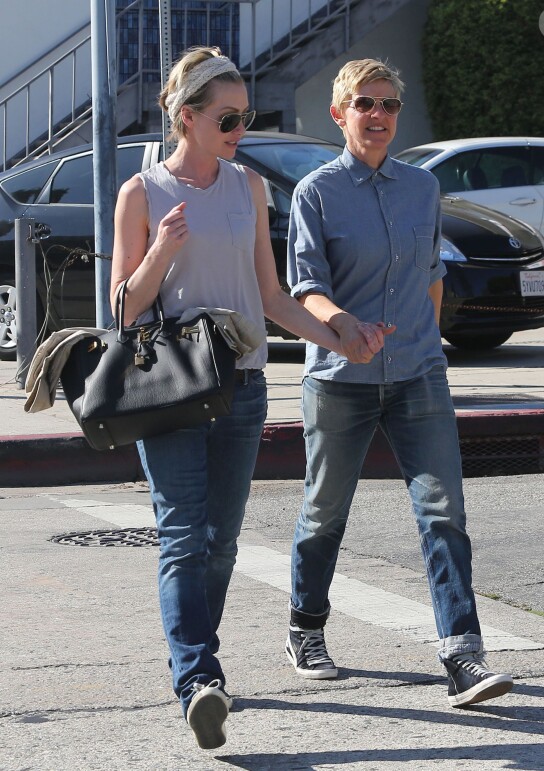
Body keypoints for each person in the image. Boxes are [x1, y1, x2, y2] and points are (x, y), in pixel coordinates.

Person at [110, 46, 366, 751]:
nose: (240, 127)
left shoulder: (248, 188)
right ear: (186, 117)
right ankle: (197, 679)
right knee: (185, 533)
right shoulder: (142, 192)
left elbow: (272, 295)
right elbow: (124, 310)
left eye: (247, 115)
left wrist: (336, 336)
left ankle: (199, 664)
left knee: (220, 542)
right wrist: (161, 250)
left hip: (243, 384)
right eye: (228, 117)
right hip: (170, 386)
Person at [285, 57, 514, 708]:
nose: (378, 114)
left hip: (418, 372)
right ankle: (306, 623)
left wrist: (430, 342)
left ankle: (462, 654)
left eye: (387, 103)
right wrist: (345, 327)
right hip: (340, 376)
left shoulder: (422, 188)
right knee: (325, 509)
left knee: (444, 512)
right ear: (340, 114)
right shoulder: (317, 193)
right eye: (364, 103)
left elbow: (433, 274)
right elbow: (306, 286)